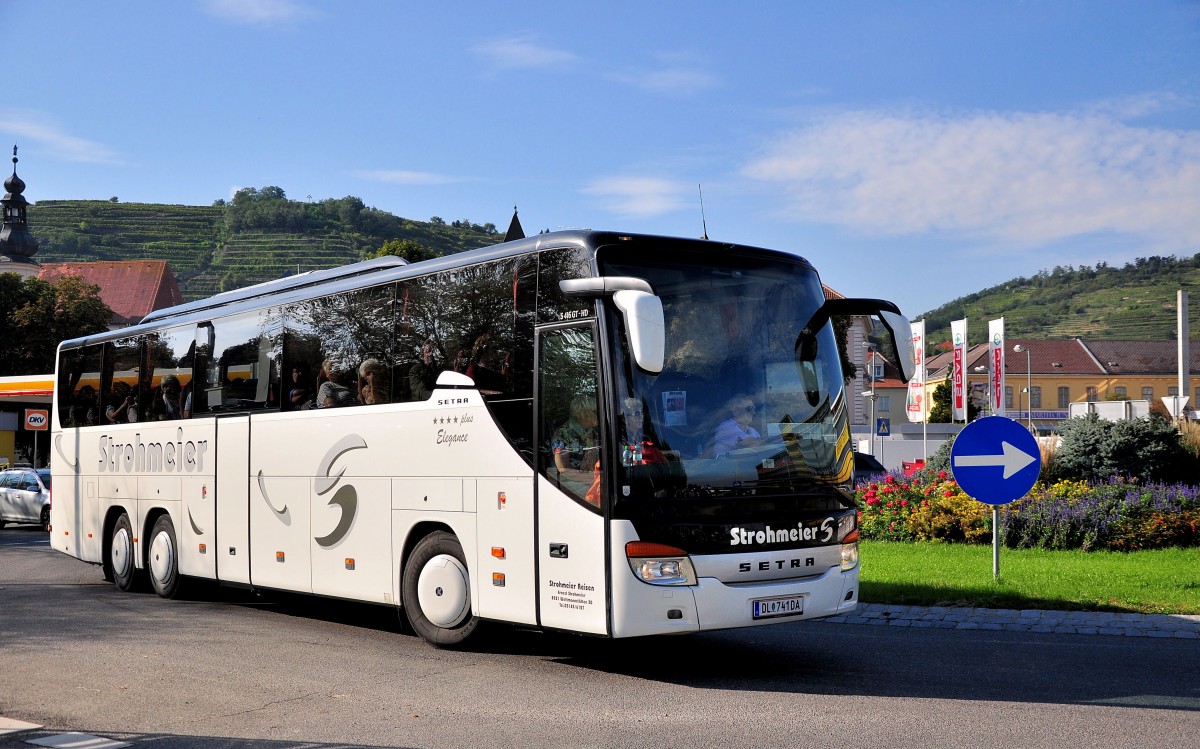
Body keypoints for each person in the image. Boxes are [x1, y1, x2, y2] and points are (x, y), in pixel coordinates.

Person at [551, 394, 601, 506]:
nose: (598, 414)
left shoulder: (595, 433)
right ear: (584, 413)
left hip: (594, 479)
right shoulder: (562, 434)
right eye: (595, 411)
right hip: (571, 483)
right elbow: (563, 469)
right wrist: (591, 479)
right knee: (603, 495)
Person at [619, 397, 666, 466]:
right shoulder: (618, 442)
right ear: (625, 418)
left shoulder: (647, 439)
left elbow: (664, 466)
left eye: (642, 413)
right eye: (637, 413)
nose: (641, 417)